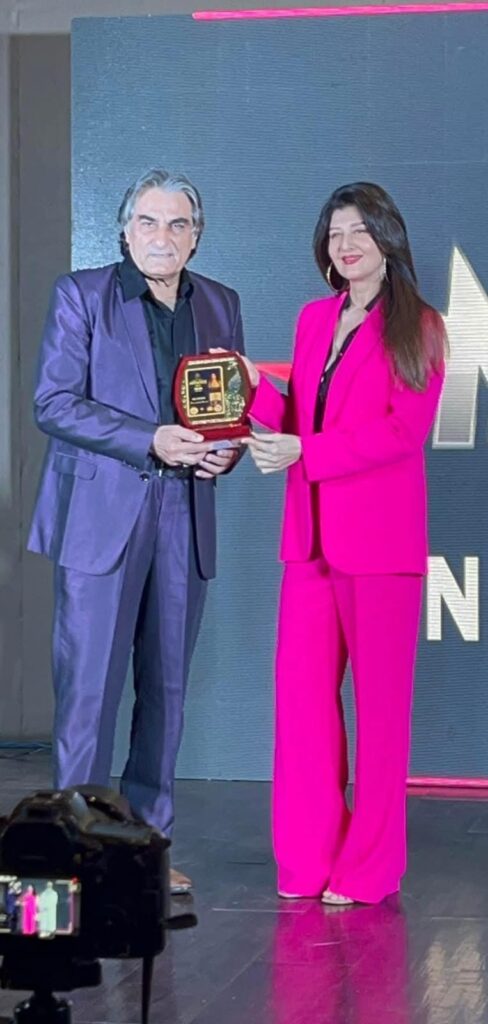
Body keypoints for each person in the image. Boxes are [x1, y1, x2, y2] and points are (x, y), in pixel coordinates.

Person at [28, 168, 245, 894]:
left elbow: (227, 411)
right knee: (87, 697)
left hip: (185, 512)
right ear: (125, 231)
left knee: (166, 691)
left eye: (178, 224)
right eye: (148, 222)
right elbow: (54, 403)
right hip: (102, 520)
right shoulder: (81, 296)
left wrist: (224, 453)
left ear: (196, 236)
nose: (163, 237)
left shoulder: (221, 303)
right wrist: (148, 438)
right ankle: (74, 855)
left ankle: (146, 851)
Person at [243, 182, 446, 906]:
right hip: (309, 542)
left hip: (381, 547)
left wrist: (307, 452)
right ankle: (307, 862)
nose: (347, 244)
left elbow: (403, 431)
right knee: (301, 709)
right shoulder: (312, 318)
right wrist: (248, 391)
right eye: (335, 234)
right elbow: (296, 407)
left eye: (359, 230)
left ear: (387, 238)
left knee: (381, 718)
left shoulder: (420, 325)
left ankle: (369, 870)